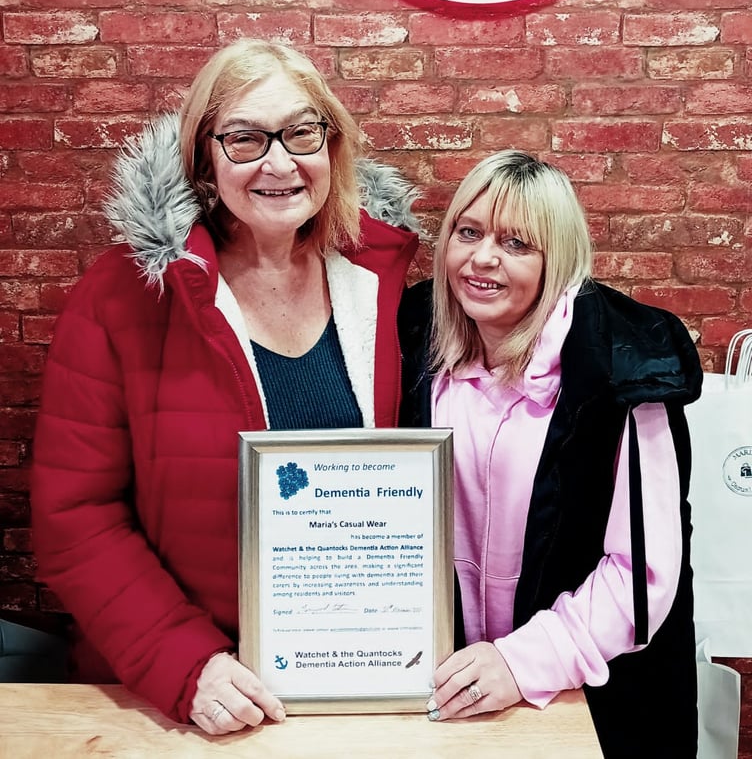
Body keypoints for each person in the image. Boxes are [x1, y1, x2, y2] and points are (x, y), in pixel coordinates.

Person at [32, 38, 420, 735]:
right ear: (205, 158)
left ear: (331, 144)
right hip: (178, 697)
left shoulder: (379, 280)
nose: (279, 162)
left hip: (350, 678)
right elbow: (75, 516)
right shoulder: (125, 295)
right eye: (244, 138)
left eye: (301, 132)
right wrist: (187, 663)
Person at [399, 150, 701, 759]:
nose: (483, 258)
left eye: (516, 243)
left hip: (589, 695)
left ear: (556, 259)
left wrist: (521, 662)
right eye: (469, 232)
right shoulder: (417, 341)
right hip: (455, 692)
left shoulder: (627, 368)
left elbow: (643, 576)